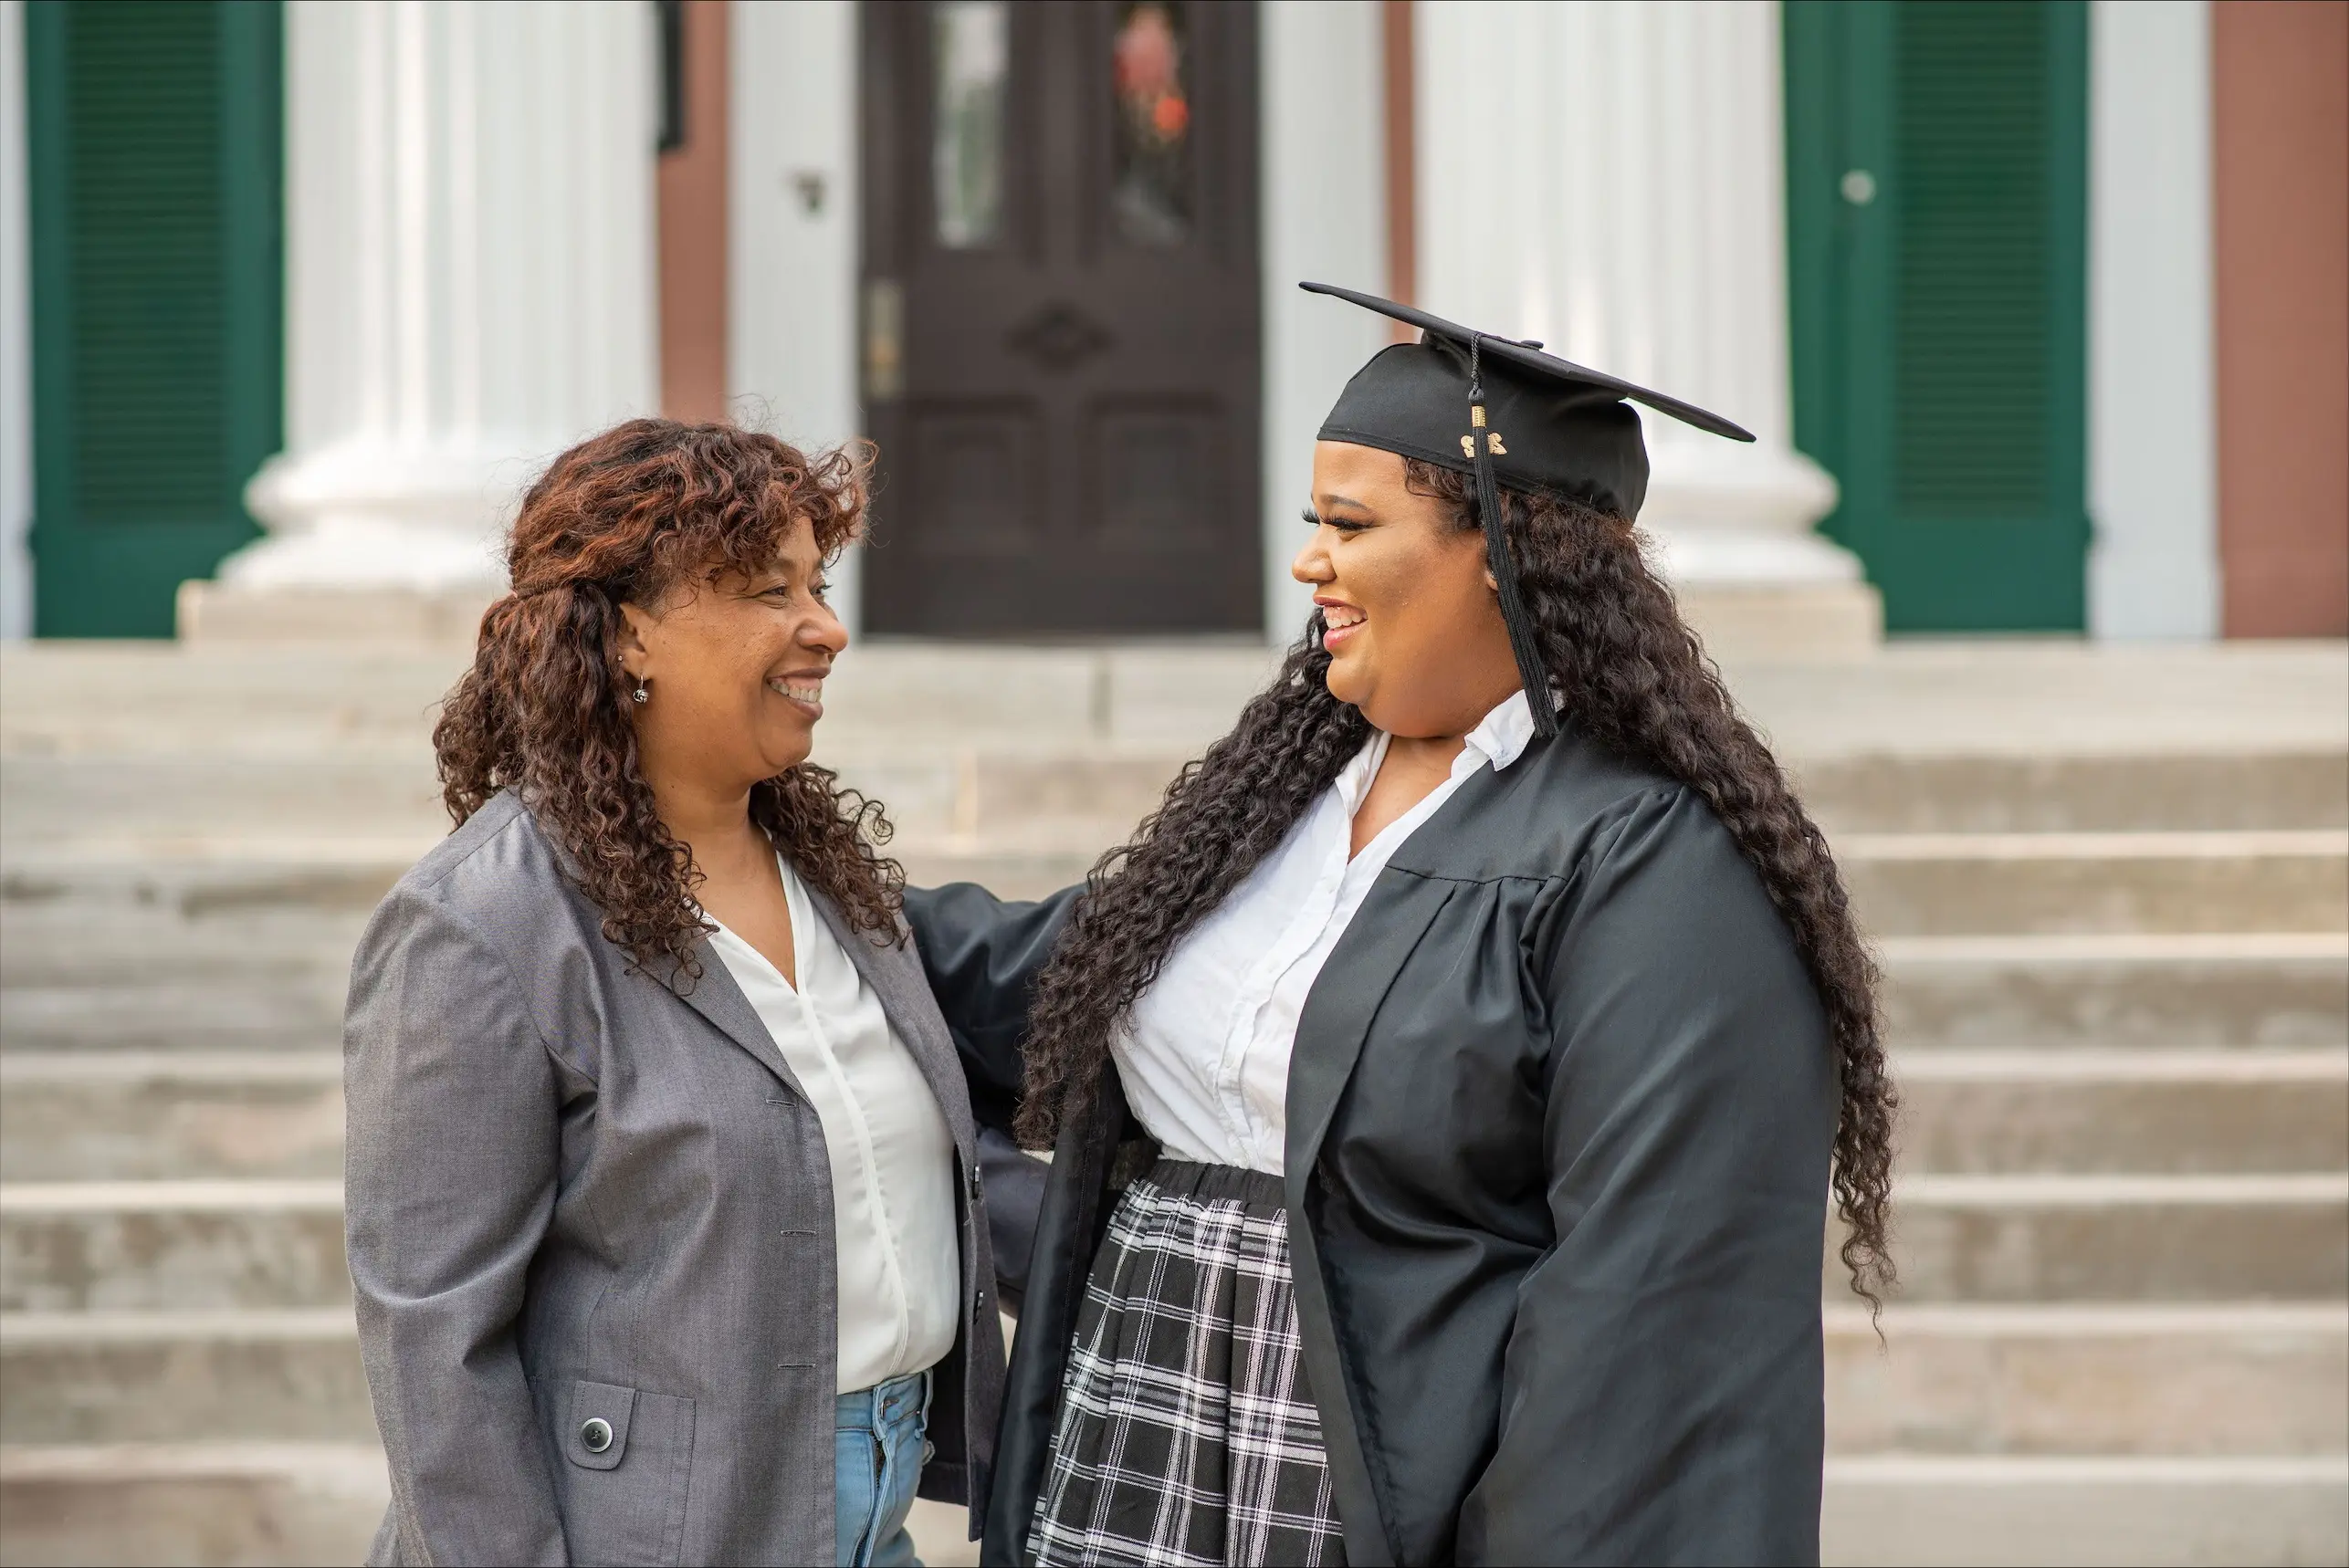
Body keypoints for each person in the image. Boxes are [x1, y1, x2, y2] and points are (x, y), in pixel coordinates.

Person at [906, 286, 1897, 1566]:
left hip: (1367, 1492)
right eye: (1312, 521)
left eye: (1348, 523)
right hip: (1126, 1438)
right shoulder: (1279, 803)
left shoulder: (1647, 865)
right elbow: (1024, 980)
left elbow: (1646, 1322)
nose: (1308, 560)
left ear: (1500, 544)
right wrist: (750, 849)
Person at [343, 420, 1014, 1565]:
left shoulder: (832, 885)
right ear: (631, 635)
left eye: (818, 583)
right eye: (769, 589)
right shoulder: (480, 927)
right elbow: (432, 1343)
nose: (827, 628)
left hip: (871, 1520)